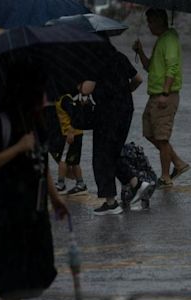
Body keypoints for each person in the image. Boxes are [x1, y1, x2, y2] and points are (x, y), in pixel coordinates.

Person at [0, 60, 68, 300]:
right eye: (39, 89)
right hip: (5, 206)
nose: (44, 96)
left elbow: (42, 160)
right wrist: (16, 148)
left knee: (40, 268)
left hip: (33, 206)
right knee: (15, 269)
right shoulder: (1, 121)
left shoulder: (36, 120)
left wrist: (55, 196)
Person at [82, 35, 143, 215]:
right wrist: (124, 92)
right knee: (113, 152)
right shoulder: (120, 57)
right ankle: (136, 183)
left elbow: (87, 89)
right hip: (125, 110)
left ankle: (111, 202)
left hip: (106, 114)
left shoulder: (96, 62)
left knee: (102, 155)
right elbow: (138, 79)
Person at [133, 8, 190, 189]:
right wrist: (140, 51)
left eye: (150, 22)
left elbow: (172, 68)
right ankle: (178, 163)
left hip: (165, 96)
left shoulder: (170, 40)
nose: (149, 26)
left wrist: (165, 94)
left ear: (159, 20)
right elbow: (150, 67)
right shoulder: (162, 40)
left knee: (162, 138)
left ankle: (166, 176)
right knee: (150, 133)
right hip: (155, 95)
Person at [47, 93, 87, 196]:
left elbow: (74, 114)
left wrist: (71, 131)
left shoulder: (64, 99)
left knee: (63, 159)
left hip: (70, 134)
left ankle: (61, 184)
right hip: (77, 133)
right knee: (74, 161)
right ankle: (80, 183)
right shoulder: (64, 98)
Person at [118, 142, 157, 211]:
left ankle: (127, 203)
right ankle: (144, 204)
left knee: (127, 176)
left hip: (136, 182)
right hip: (151, 179)